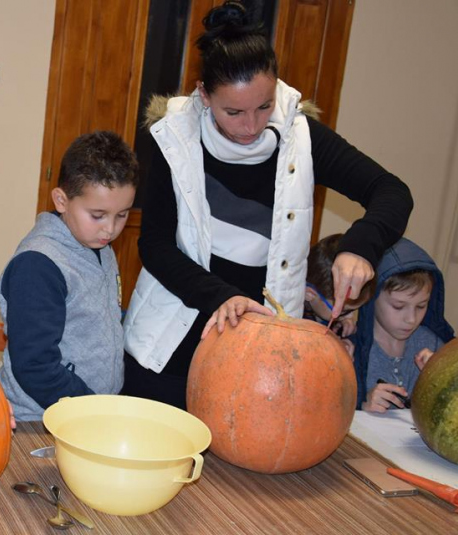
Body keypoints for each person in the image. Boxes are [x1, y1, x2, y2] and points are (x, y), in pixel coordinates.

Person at [122, 1, 413, 409]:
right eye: (234, 112)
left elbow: (392, 190)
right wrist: (221, 296)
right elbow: (154, 245)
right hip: (170, 341)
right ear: (204, 95)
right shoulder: (172, 138)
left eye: (263, 106)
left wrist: (360, 245)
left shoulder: (302, 137)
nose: (251, 126)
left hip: (261, 357)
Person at [0, 131, 138, 420]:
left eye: (122, 215)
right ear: (61, 200)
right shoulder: (37, 266)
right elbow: (35, 366)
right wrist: (94, 411)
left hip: (85, 414)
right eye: (98, 215)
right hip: (37, 421)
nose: (110, 229)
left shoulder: (98, 245)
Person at [353, 238, 454, 412]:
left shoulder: (436, 346)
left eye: (421, 306)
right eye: (398, 306)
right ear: (372, 298)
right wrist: (362, 405)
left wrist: (441, 378)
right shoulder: (351, 349)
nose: (411, 319)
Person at [305, 233, 375, 338]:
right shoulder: (290, 321)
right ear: (309, 294)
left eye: (353, 311)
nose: (350, 317)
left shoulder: (323, 308)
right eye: (344, 312)